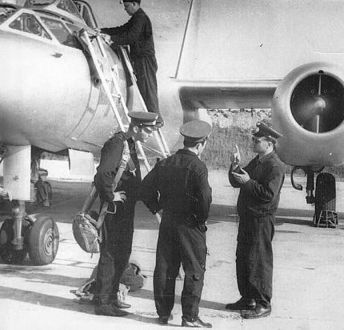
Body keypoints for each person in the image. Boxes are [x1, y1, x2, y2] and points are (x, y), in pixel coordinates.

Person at [140, 120, 213, 327]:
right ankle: (189, 317)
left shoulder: (166, 162)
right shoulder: (198, 167)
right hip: (190, 226)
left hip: (168, 222)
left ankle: (163, 314)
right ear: (201, 144)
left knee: (165, 267)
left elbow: (145, 189)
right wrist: (200, 219)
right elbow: (205, 198)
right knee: (194, 270)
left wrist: (157, 208)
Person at [93, 111, 158, 317]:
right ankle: (103, 302)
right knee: (111, 254)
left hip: (124, 211)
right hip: (114, 211)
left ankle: (111, 297)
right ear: (137, 127)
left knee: (122, 254)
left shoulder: (129, 143)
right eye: (148, 130)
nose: (150, 134)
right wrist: (110, 195)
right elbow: (103, 173)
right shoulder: (117, 143)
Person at [226, 122, 286, 319]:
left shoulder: (275, 165)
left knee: (259, 261)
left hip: (261, 220)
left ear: (269, 143)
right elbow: (238, 181)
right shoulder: (258, 161)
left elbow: (268, 194)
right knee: (243, 258)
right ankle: (248, 298)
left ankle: (262, 302)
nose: (253, 142)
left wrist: (248, 182)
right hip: (248, 219)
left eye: (256, 140)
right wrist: (235, 165)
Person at [100, 0, 163, 126]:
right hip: (140, 59)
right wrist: (103, 30)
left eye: (127, 6)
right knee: (145, 89)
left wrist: (111, 39)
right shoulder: (137, 18)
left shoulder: (140, 18)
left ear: (134, 4)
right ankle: (153, 118)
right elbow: (122, 29)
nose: (125, 9)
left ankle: (157, 120)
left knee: (148, 89)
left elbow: (130, 37)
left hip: (145, 60)